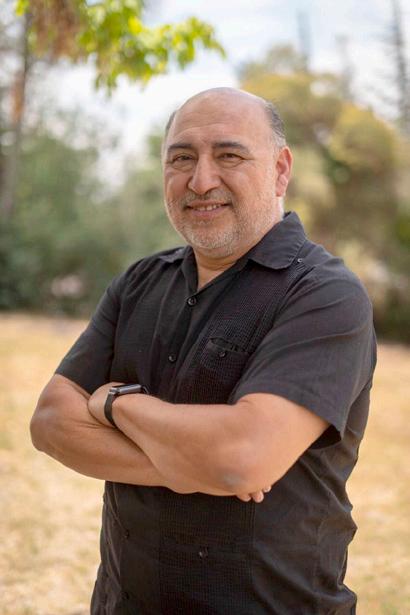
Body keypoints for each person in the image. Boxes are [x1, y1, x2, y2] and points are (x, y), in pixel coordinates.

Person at [30, 87, 377, 614]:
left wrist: (117, 403)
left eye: (229, 155)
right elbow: (51, 422)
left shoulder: (324, 294)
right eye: (182, 158)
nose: (201, 180)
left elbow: (242, 459)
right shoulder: (140, 281)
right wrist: (196, 467)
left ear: (280, 170)